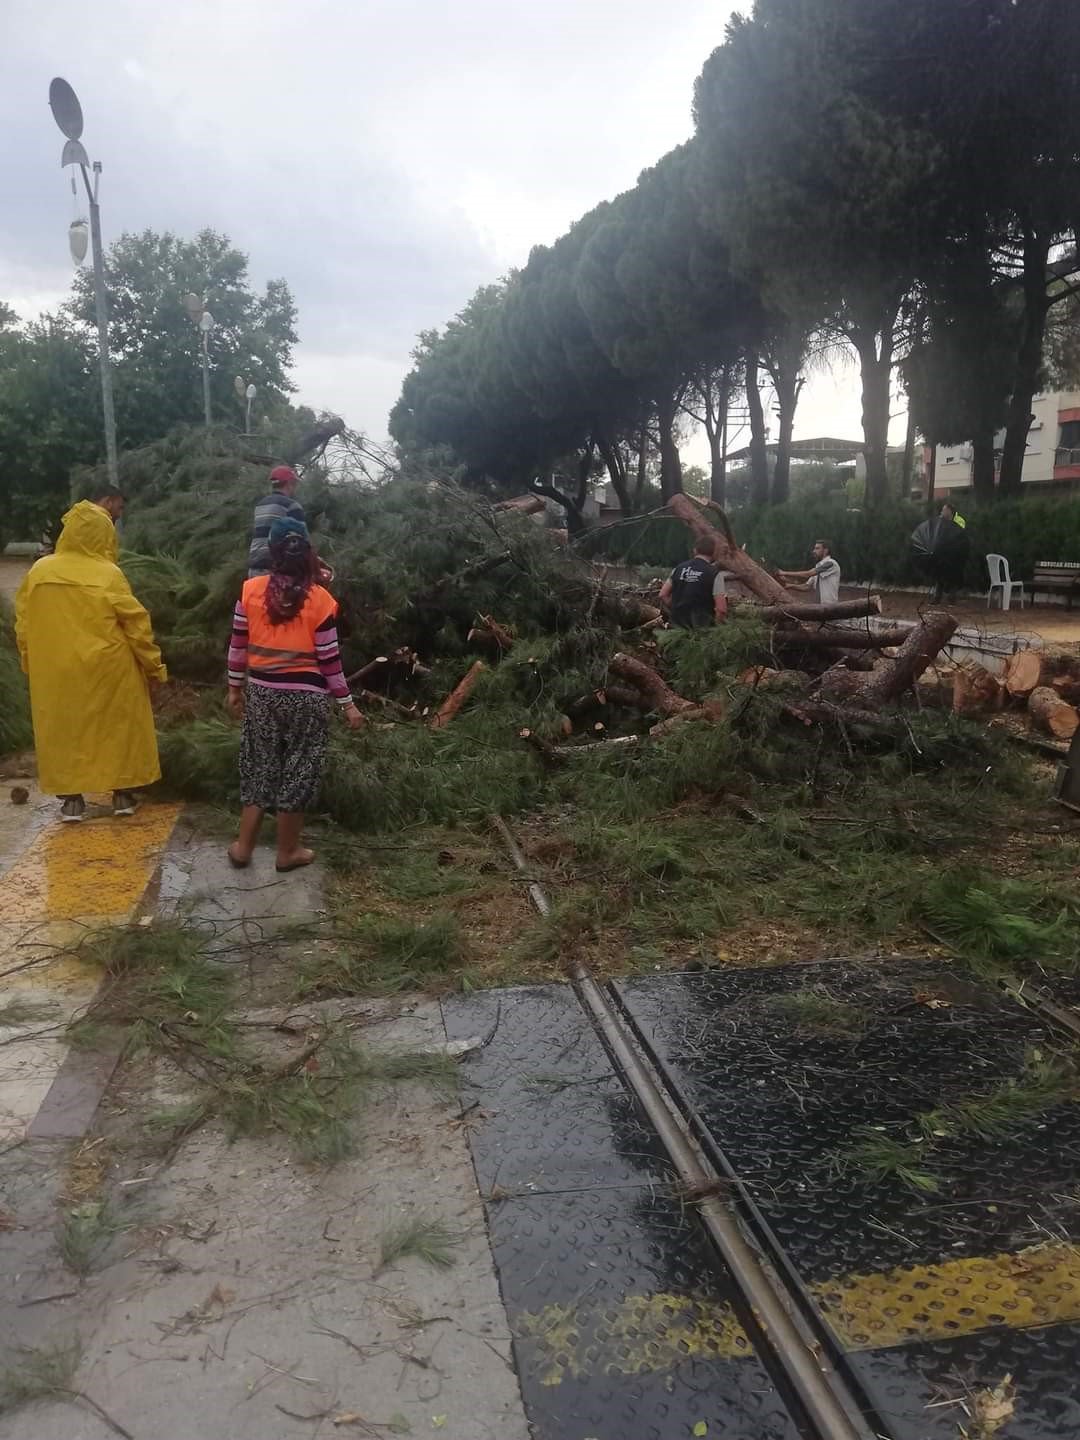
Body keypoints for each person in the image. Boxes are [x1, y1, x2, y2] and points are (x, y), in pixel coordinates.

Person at [14, 500, 166, 822]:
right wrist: (154, 666)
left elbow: (24, 623)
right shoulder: (108, 574)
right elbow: (136, 625)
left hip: (55, 669)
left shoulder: (40, 571)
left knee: (63, 729)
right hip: (109, 667)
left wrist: (30, 662)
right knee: (117, 726)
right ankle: (123, 795)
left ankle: (71, 801)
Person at [227, 517, 363, 872]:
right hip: (307, 698)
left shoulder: (250, 590)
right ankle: (287, 853)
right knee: (300, 768)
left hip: (262, 693)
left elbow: (238, 646)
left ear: (271, 552)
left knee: (261, 764)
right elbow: (330, 662)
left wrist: (234, 687)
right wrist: (349, 706)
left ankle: (243, 848)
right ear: (307, 552)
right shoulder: (321, 600)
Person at [248, 465, 305, 577]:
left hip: (255, 567)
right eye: (294, 483)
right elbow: (301, 543)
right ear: (289, 483)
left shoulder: (260, 504)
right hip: (277, 571)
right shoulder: (291, 506)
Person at [659, 539, 728, 628]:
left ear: (695, 550)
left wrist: (677, 608)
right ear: (714, 553)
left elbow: (663, 594)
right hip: (702, 629)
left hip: (677, 627)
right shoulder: (714, 574)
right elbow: (721, 609)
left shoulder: (678, 569)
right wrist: (716, 628)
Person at [778, 541, 842, 606]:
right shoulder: (818, 567)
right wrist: (789, 585)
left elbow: (808, 574)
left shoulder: (831, 563)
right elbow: (806, 586)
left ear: (826, 550)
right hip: (818, 607)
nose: (814, 551)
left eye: (817, 548)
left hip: (830, 606)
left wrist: (784, 573)